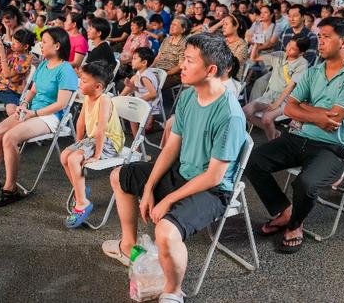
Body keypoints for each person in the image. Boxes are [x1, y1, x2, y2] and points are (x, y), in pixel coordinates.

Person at [102, 34, 246, 303]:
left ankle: (173, 291)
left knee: (165, 232)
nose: (182, 66)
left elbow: (214, 176)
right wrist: (147, 188)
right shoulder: (189, 95)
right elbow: (171, 148)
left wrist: (167, 199)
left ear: (211, 70)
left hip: (212, 189)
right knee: (119, 176)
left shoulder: (229, 114)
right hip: (183, 172)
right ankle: (128, 246)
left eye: (189, 61)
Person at [245, 17, 344, 253]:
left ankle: (295, 224)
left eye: (326, 37)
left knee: (306, 183)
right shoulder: (314, 72)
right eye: (319, 37)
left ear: (343, 42)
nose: (319, 42)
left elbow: (336, 118)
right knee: (253, 160)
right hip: (299, 138)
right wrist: (318, 116)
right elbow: (290, 108)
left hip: (334, 147)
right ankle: (285, 210)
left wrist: (305, 110)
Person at [0, 27, 78, 207]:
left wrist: (33, 112)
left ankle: (10, 188)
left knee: (9, 138)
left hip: (50, 117)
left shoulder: (66, 70)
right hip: (32, 110)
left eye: (44, 42)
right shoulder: (44, 64)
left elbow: (61, 104)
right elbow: (33, 90)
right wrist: (25, 103)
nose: (40, 45)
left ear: (57, 45)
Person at [61, 61, 125, 228]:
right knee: (65, 156)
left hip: (109, 142)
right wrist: (78, 145)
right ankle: (80, 189)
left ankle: (82, 203)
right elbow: (80, 123)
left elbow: (102, 128)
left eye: (84, 80)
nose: (80, 83)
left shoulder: (104, 100)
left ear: (97, 86)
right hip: (93, 139)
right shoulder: (88, 97)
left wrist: (96, 155)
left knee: (74, 159)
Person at [243, 37, 309, 140]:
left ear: (301, 53)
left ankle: (272, 140)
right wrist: (256, 45)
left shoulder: (302, 63)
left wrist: (276, 104)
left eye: (293, 48)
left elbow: (290, 86)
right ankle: (274, 133)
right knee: (246, 111)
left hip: (287, 99)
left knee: (266, 118)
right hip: (269, 95)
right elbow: (254, 58)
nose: (288, 49)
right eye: (288, 45)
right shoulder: (280, 55)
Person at [121, 47, 161, 135]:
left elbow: (153, 94)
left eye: (135, 59)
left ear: (144, 62)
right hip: (145, 101)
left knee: (132, 116)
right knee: (130, 113)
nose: (132, 61)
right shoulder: (141, 72)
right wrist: (132, 86)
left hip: (149, 104)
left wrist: (138, 100)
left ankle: (137, 143)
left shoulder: (145, 76)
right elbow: (142, 89)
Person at [152, 15, 189, 89]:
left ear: (183, 30)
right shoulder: (166, 39)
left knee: (153, 85)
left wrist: (164, 74)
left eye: (175, 25)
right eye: (171, 24)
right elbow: (157, 57)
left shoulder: (185, 44)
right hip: (158, 70)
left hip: (172, 74)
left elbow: (180, 66)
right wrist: (150, 68)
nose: (171, 26)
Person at [222, 15, 248, 79]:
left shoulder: (241, 45)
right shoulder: (223, 41)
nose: (223, 27)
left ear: (236, 26)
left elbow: (233, 66)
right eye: (223, 24)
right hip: (218, 74)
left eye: (226, 24)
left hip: (231, 78)